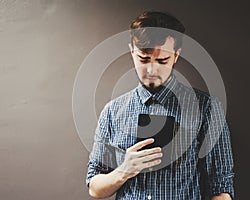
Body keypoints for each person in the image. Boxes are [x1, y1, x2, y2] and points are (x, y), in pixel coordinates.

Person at [86, 11, 234, 200]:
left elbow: (221, 187)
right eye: (143, 59)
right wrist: (124, 170)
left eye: (162, 60)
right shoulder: (112, 112)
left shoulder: (207, 108)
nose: (151, 70)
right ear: (132, 51)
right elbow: (95, 188)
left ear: (176, 55)